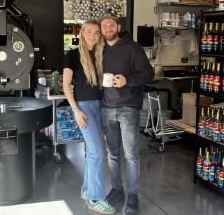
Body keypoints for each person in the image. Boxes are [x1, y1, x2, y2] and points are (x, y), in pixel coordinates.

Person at [98, 14, 155, 214]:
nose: (107, 28)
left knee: (131, 155)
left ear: (118, 27)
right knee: (112, 153)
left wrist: (127, 81)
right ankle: (116, 189)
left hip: (128, 107)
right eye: (104, 26)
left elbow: (148, 73)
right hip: (106, 107)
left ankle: (133, 194)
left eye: (111, 25)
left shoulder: (132, 47)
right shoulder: (99, 49)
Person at [63, 19, 115, 215]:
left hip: (99, 106)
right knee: (96, 152)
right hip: (84, 107)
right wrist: (76, 110)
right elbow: (66, 85)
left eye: (96, 33)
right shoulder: (73, 55)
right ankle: (95, 198)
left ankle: (86, 190)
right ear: (82, 33)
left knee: (93, 152)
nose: (93, 36)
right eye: (89, 32)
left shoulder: (101, 54)